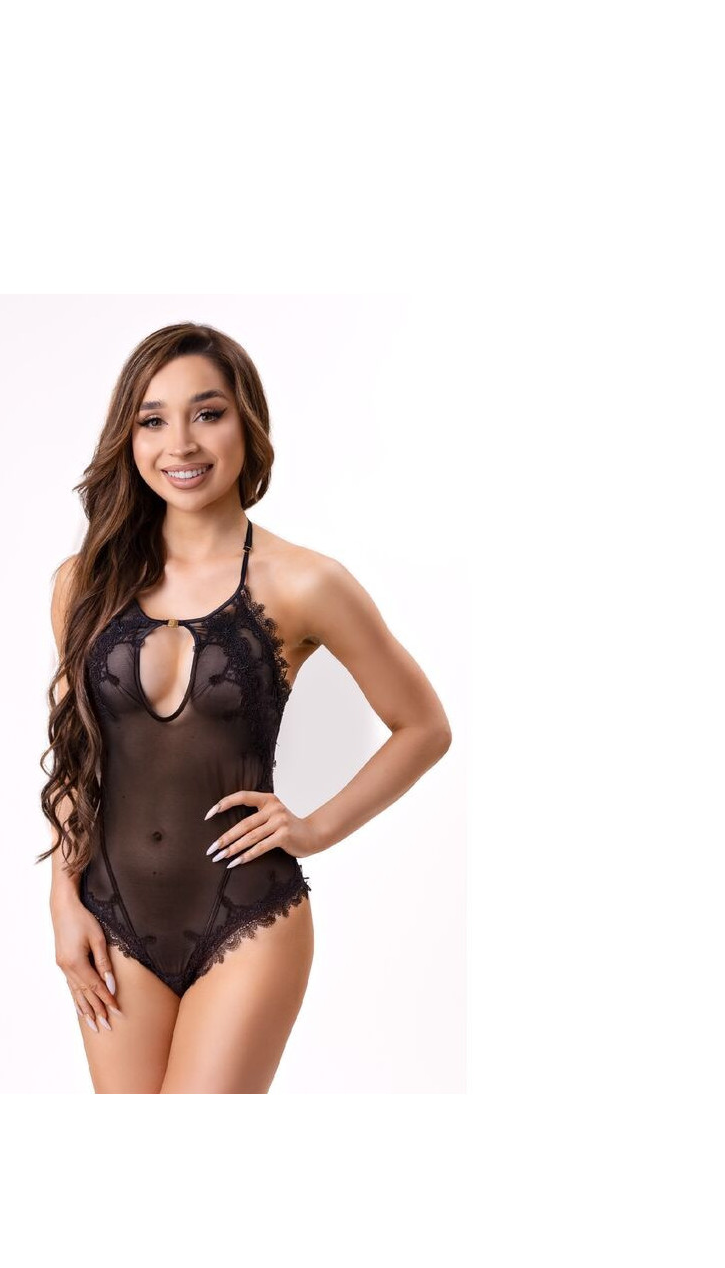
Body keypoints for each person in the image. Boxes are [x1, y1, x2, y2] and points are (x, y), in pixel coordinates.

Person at [39, 322, 451, 1093]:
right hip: (110, 919)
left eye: (208, 412)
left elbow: (424, 727)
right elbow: (76, 755)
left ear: (247, 423)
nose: (181, 443)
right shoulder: (83, 582)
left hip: (247, 917)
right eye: (153, 419)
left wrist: (315, 827)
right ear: (129, 437)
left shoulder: (305, 582)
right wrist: (63, 899)